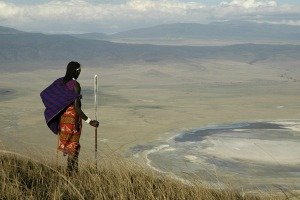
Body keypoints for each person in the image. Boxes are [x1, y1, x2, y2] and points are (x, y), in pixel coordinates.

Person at [40, 61, 99, 175]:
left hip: (63, 120)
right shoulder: (75, 85)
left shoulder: (60, 82)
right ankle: (71, 174)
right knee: (73, 147)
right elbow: (77, 108)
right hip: (72, 120)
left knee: (71, 147)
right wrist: (90, 121)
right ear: (77, 71)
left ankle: (72, 173)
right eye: (79, 70)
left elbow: (45, 93)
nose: (80, 72)